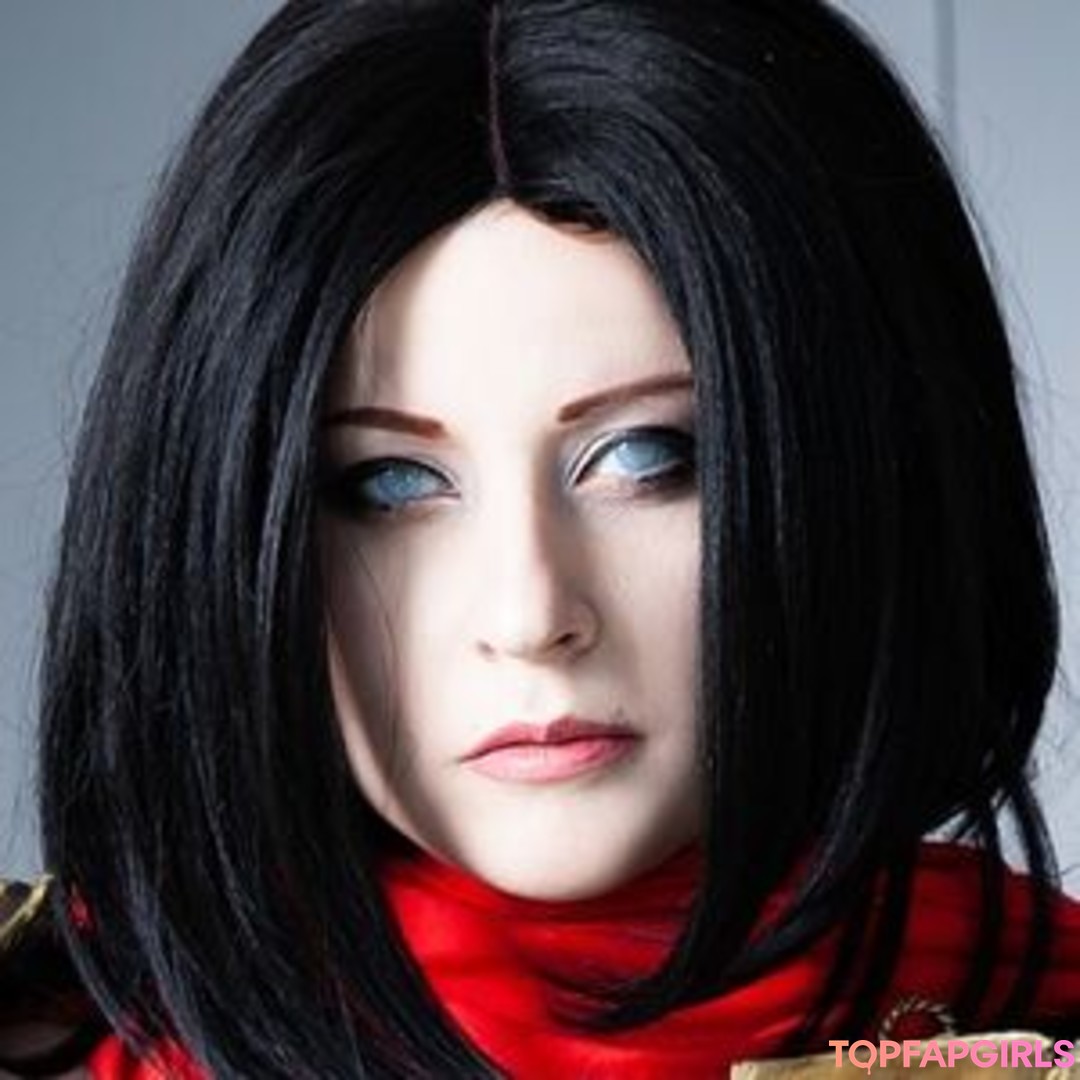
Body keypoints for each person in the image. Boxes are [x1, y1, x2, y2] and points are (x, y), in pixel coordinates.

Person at [2, 0, 1079, 1076]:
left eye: (647, 457)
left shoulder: (1034, 1022)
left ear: (870, 460)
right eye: (388, 482)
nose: (531, 616)